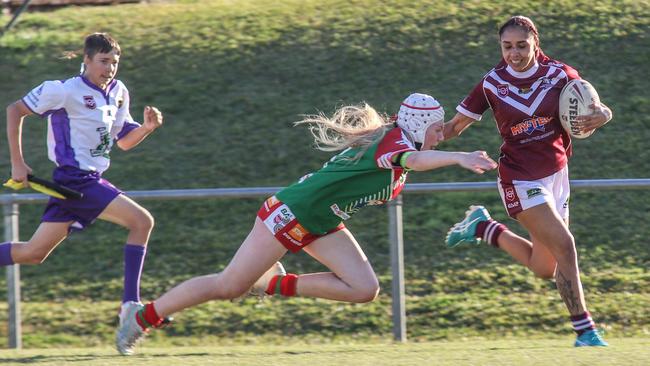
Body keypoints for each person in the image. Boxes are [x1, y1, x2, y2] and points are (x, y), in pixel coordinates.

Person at [115, 92, 498, 355]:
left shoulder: (402, 139)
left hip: (320, 222)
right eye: (435, 129)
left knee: (364, 288)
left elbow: (430, 144)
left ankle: (273, 283)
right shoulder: (397, 146)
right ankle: (141, 317)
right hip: (291, 214)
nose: (440, 135)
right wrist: (461, 157)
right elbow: (415, 162)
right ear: (417, 126)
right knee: (229, 285)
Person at [442, 16, 612, 347]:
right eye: (507, 47)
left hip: (557, 175)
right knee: (565, 245)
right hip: (519, 177)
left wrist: (604, 114)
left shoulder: (560, 74)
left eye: (521, 45)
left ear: (535, 41)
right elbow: (454, 128)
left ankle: (483, 227)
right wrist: (414, 130)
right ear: (500, 47)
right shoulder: (492, 84)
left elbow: (594, 105)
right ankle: (585, 330)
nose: (514, 54)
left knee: (545, 267)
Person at [3, 33, 164, 325]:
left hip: (86, 181)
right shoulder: (63, 90)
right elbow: (15, 110)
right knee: (142, 222)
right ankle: (130, 307)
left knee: (33, 253)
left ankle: (130, 308)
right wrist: (18, 163)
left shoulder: (118, 91)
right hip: (74, 180)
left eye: (115, 62)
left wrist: (147, 128)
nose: (110, 68)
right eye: (103, 61)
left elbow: (124, 140)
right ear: (86, 60)